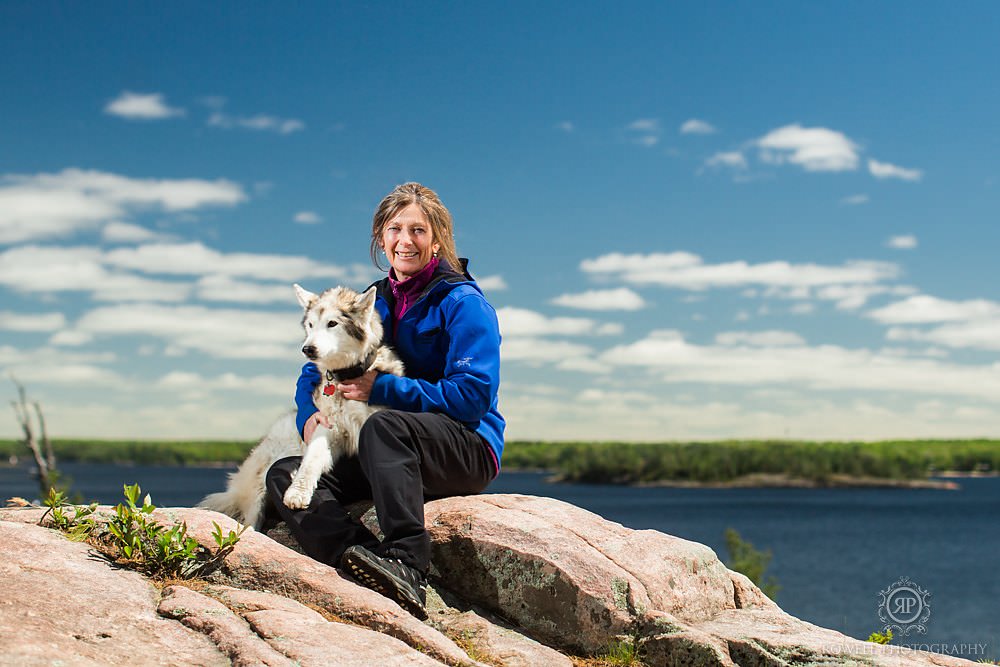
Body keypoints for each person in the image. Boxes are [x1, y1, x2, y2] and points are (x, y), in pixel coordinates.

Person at [265, 182, 504, 619]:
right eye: (395, 229)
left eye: (418, 230)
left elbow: (473, 397)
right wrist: (308, 418)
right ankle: (362, 560)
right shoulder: (373, 301)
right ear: (381, 237)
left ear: (437, 242)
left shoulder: (464, 303)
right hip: (389, 452)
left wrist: (384, 390)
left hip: (465, 448)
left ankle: (408, 562)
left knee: (383, 426)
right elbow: (316, 366)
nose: (405, 240)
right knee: (285, 474)